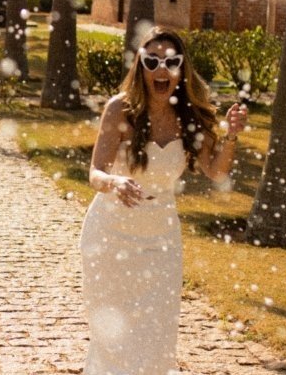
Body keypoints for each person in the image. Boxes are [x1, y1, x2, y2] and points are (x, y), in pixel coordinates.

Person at [80, 27, 247, 374]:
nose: (161, 69)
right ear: (140, 66)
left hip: (161, 238)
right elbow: (95, 173)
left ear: (181, 68)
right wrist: (114, 182)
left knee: (157, 331)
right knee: (112, 334)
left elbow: (216, 171)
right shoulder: (119, 109)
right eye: (152, 61)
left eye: (171, 62)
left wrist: (231, 135)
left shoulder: (191, 117)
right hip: (110, 234)